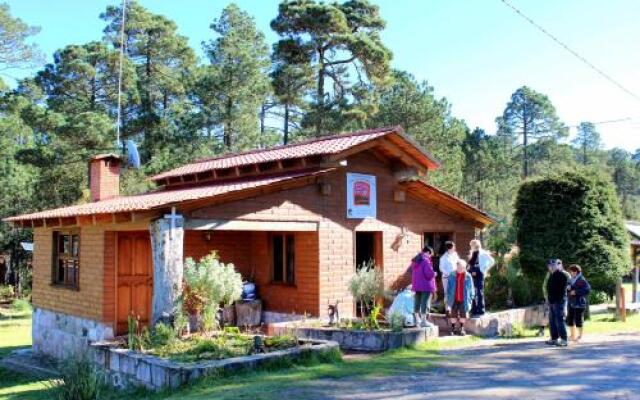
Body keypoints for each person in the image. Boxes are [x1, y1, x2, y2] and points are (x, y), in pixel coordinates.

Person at [446, 259, 474, 335]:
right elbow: (448, 287)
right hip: (453, 298)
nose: (460, 269)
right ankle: (453, 328)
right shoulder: (452, 275)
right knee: (453, 314)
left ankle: (461, 328)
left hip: (464, 299)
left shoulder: (468, 276)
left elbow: (471, 287)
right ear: (456, 266)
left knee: (463, 314)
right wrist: (447, 298)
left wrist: (471, 297)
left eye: (462, 268)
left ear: (465, 267)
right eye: (459, 267)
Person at [467, 239, 495, 317]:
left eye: (472, 245)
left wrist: (484, 269)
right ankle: (474, 309)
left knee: (479, 292)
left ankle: (481, 310)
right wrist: (470, 270)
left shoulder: (483, 253)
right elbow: (471, 264)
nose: (471, 247)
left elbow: (492, 261)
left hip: (480, 273)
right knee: (472, 292)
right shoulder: (472, 253)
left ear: (476, 245)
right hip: (472, 273)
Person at [546, 259, 570, 347]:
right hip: (552, 302)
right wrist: (549, 300)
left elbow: (562, 290)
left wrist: (558, 300)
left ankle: (564, 339)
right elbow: (549, 289)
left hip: (559, 301)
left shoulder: (561, 275)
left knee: (559, 320)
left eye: (553, 265)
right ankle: (554, 338)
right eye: (550, 265)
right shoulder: (551, 276)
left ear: (556, 266)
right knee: (552, 321)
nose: (551, 267)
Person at [411, 246, 436, 327]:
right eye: (430, 255)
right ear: (428, 252)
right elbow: (429, 274)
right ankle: (424, 321)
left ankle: (417, 321)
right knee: (425, 302)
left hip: (416, 285)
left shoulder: (415, 260)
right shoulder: (425, 260)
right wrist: (434, 273)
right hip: (425, 285)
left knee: (417, 302)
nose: (430, 257)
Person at [567, 264, 591, 342]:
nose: (571, 273)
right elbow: (568, 289)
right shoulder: (571, 279)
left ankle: (580, 336)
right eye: (570, 271)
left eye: (572, 271)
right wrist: (568, 288)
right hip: (571, 302)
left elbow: (588, 290)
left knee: (578, 320)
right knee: (570, 319)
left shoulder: (581, 279)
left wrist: (576, 292)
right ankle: (572, 336)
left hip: (579, 303)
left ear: (577, 272)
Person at [439, 241, 459, 311]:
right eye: (454, 246)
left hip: (455, 276)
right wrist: (449, 274)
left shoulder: (455, 255)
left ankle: (455, 308)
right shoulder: (443, 258)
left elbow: (458, 264)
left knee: (455, 292)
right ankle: (447, 309)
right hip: (447, 278)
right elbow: (441, 268)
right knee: (447, 292)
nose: (455, 248)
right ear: (450, 248)